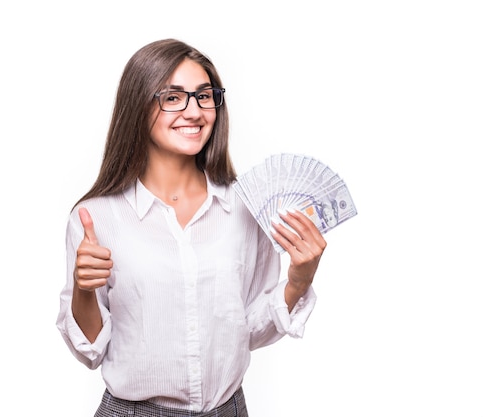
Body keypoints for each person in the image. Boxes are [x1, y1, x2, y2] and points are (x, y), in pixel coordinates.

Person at [56, 38, 327, 417]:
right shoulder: (96, 217)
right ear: (138, 105)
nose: (194, 111)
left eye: (204, 96)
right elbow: (91, 350)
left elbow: (249, 329)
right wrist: (84, 290)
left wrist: (299, 279)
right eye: (172, 97)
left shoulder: (245, 208)